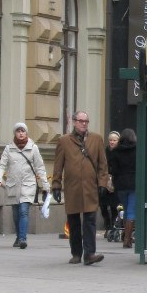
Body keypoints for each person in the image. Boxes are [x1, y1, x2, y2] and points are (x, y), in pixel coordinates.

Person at [51, 111, 109, 265]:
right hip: (72, 187)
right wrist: (56, 185)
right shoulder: (64, 141)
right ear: (74, 122)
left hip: (90, 187)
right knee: (74, 220)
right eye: (81, 121)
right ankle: (76, 253)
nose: (84, 124)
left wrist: (103, 183)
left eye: (86, 121)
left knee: (90, 220)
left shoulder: (96, 139)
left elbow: (103, 165)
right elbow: (58, 166)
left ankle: (90, 254)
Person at [0, 122, 49, 249]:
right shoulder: (9, 148)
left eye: (23, 131)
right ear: (15, 133)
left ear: (26, 133)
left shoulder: (33, 148)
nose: (20, 133)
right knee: (15, 213)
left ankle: (23, 238)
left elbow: (40, 167)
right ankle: (18, 237)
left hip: (28, 185)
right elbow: (2, 165)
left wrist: (45, 184)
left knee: (24, 211)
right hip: (13, 185)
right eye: (18, 131)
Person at [108, 127, 137, 248]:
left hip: (120, 185)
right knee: (131, 211)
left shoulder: (115, 151)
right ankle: (127, 239)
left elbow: (112, 169)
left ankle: (126, 235)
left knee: (125, 209)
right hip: (134, 184)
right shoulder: (137, 150)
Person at [100, 130, 120, 237]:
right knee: (103, 205)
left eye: (114, 140)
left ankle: (113, 227)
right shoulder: (105, 152)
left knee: (114, 206)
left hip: (116, 182)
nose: (112, 142)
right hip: (105, 181)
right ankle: (107, 226)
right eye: (110, 140)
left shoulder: (120, 152)